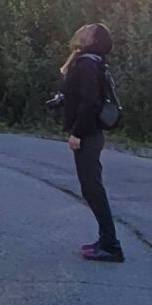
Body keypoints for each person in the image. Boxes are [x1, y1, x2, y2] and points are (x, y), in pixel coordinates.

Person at [54, 24, 123, 262]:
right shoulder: (89, 61)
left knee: (92, 188)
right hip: (90, 133)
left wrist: (78, 134)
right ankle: (105, 240)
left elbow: (90, 102)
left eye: (87, 28)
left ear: (93, 40)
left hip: (88, 134)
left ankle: (111, 245)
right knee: (91, 188)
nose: (81, 29)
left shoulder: (87, 64)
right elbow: (81, 97)